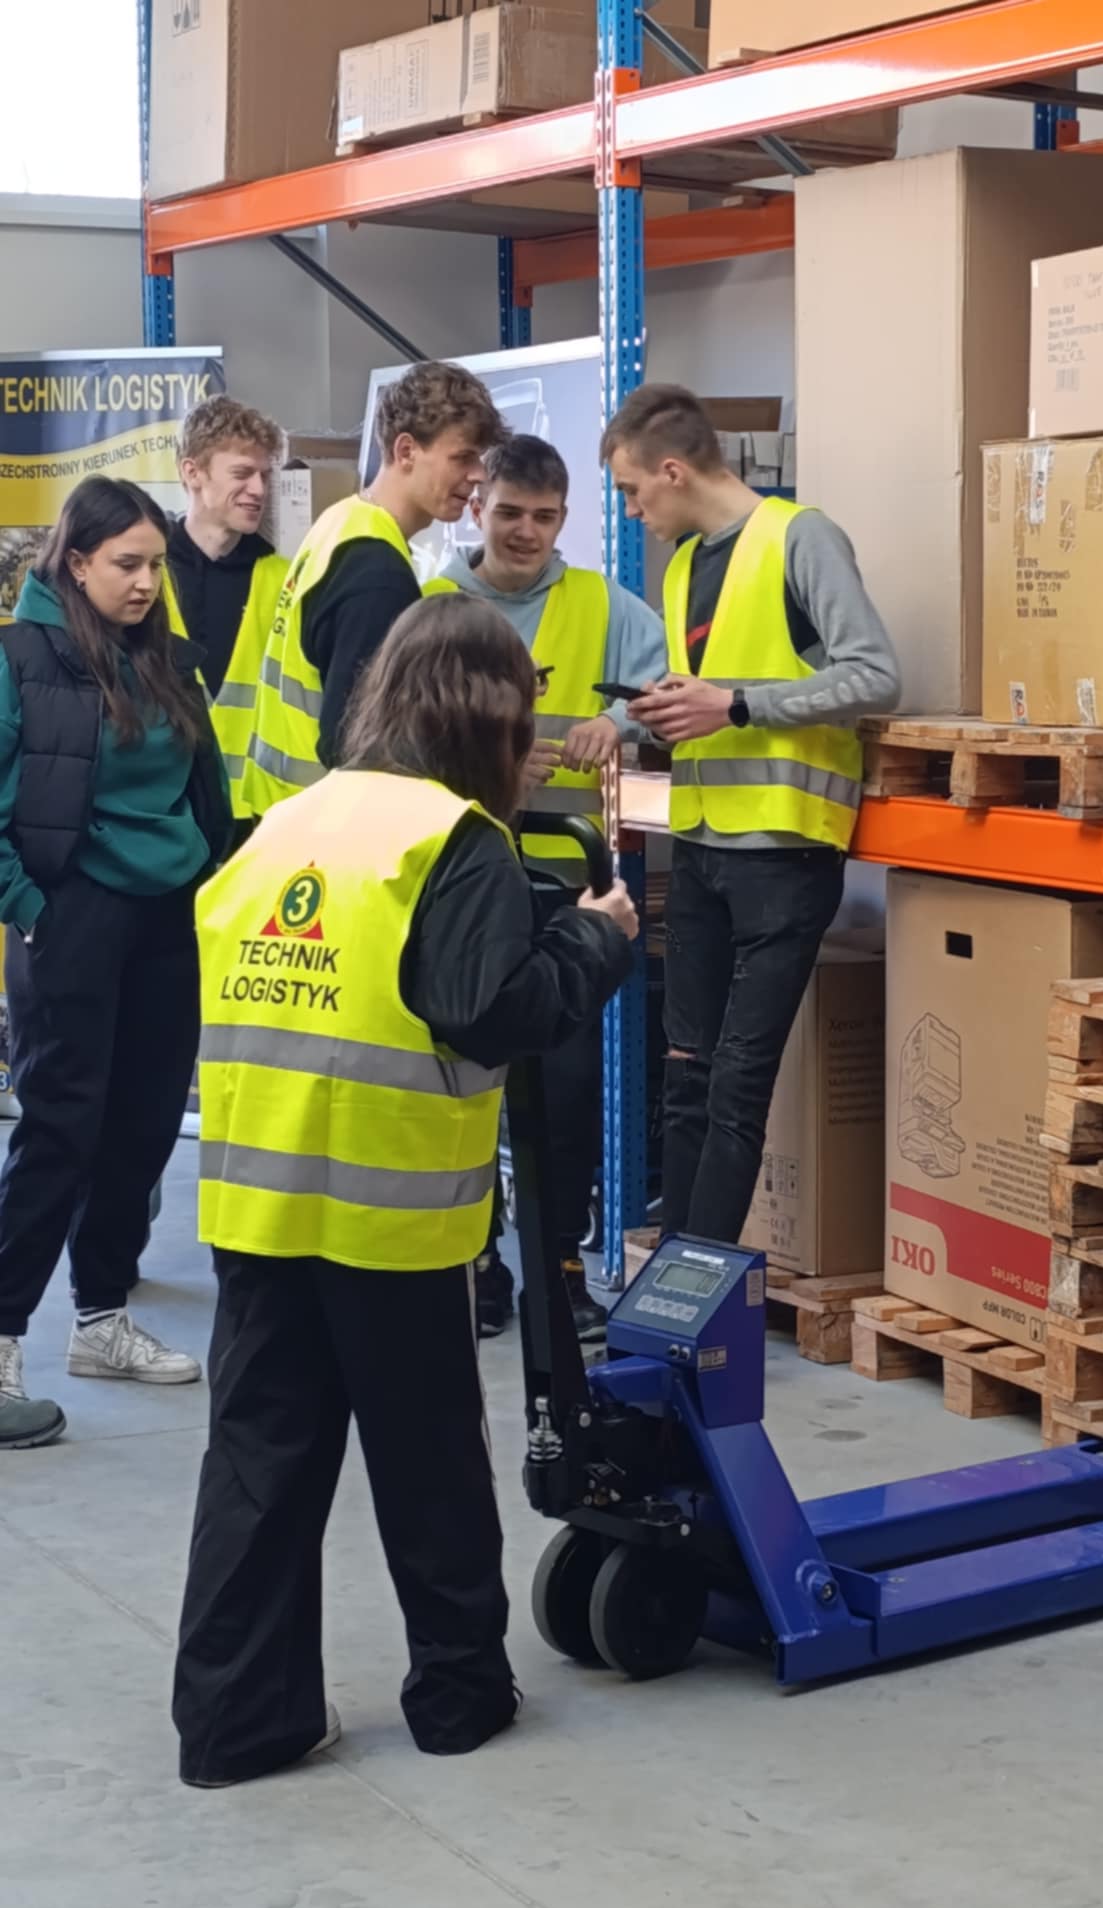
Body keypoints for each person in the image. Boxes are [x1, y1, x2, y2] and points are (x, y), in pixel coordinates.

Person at [173, 593, 637, 1788]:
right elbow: (491, 1010)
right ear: (490, 717)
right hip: (387, 1216)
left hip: (258, 1203)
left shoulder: (289, 823)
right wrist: (595, 940)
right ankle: (458, 1693)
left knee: (258, 1465)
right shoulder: (453, 840)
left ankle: (236, 1722)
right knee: (428, 1461)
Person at [601, 383, 901, 1246]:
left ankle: (700, 1290)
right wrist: (633, 717)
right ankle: (672, 1278)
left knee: (736, 1086)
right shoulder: (685, 565)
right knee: (686, 1078)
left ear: (672, 470)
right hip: (701, 845)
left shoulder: (801, 539)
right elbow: (701, 695)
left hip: (784, 852)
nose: (633, 511)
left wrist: (735, 705)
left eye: (632, 491)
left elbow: (875, 676)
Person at [0, 479, 234, 1449]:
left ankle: (101, 1319)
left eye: (154, 565)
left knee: (141, 1125)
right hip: (71, 913)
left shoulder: (167, 658)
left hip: (168, 914)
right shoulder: (21, 657)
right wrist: (31, 910)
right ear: (77, 562)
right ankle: (2, 1339)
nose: (144, 582)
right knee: (60, 1127)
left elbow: (207, 791)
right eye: (125, 565)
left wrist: (215, 878)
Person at [436, 433, 666, 1343]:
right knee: (468, 1091)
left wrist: (618, 720)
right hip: (460, 882)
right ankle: (476, 1265)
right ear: (477, 506)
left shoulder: (602, 605)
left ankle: (559, 1272)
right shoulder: (437, 607)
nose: (526, 532)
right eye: (508, 513)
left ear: (565, 516)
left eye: (544, 516)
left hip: (570, 885)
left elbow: (660, 692)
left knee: (566, 1097)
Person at [243, 359, 503, 818]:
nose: (479, 474)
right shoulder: (377, 572)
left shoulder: (342, 521)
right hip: (326, 828)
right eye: (463, 457)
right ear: (406, 451)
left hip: (286, 817)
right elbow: (356, 743)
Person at [164, 396, 289, 819]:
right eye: (242, 473)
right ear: (192, 472)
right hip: (166, 814)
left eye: (264, 475)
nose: (259, 490)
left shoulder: (284, 578)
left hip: (255, 818)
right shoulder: (147, 572)